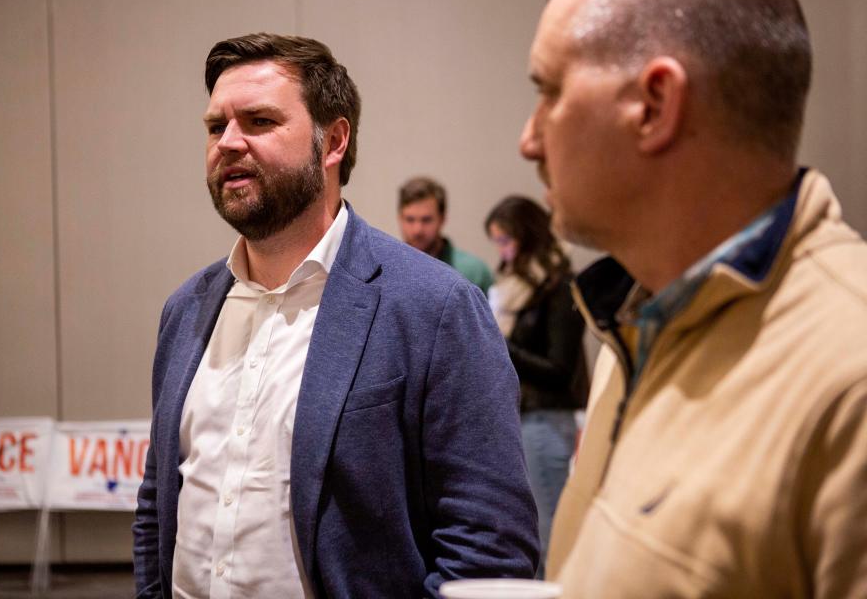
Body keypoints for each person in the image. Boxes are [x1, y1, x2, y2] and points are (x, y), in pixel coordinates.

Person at [132, 33, 538, 599]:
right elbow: (157, 507)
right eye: (214, 125)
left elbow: (489, 547)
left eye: (259, 121)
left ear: (334, 140)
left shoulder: (434, 308)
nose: (227, 142)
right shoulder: (186, 310)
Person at [519, 0, 867, 596]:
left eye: (549, 92)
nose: (529, 140)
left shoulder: (850, 374)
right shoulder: (633, 329)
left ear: (654, 105)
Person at [485, 196, 588, 578]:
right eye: (497, 242)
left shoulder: (559, 285)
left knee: (551, 532)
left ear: (526, 238)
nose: (502, 251)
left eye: (506, 241)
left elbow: (560, 368)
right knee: (529, 530)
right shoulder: (515, 286)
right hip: (523, 417)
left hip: (547, 419)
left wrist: (501, 344)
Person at [398, 177, 495, 293]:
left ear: (442, 219)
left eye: (426, 220)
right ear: (399, 218)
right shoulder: (387, 272)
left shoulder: (474, 273)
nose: (417, 230)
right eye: (410, 219)